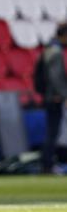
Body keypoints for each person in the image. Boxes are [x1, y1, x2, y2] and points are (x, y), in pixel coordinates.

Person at [37, 22, 67, 174]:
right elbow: (55, 77)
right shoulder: (55, 51)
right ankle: (47, 164)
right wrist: (63, 95)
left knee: (52, 131)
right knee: (52, 131)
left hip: (50, 95)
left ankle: (47, 163)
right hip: (54, 97)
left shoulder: (50, 48)